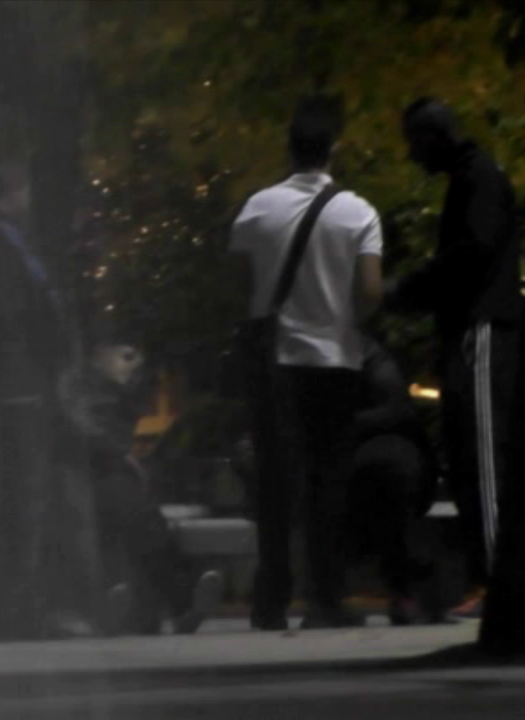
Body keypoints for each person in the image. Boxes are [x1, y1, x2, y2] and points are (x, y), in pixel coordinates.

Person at [229, 95, 384, 630]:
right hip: (334, 361)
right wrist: (343, 317)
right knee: (327, 481)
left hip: (274, 361)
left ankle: (270, 598)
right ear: (333, 149)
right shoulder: (358, 212)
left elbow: (237, 286)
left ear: (289, 149)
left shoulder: (256, 208)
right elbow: (369, 292)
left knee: (274, 481)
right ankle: (325, 599)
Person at [0, 159, 108, 640]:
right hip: (19, 390)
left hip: (17, 389)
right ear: (11, 192)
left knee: (22, 498)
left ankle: (19, 607)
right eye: (24, 190)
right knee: (23, 500)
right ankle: (19, 609)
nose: (30, 199)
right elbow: (6, 317)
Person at [388, 97, 523, 616]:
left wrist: (410, 289)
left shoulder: (477, 179)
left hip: (480, 326)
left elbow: (469, 254)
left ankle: (496, 581)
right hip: (472, 326)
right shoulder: (474, 178)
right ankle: (488, 577)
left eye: (415, 142)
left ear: (435, 136)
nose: (412, 155)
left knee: (482, 456)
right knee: (471, 454)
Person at [61, 337, 224, 635]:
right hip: (77, 477)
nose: (133, 364)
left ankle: (157, 604)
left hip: (107, 477)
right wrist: (124, 458)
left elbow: (119, 433)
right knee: (131, 506)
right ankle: (176, 599)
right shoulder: (79, 384)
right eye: (125, 356)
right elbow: (87, 435)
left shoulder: (113, 391)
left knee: (139, 511)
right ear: (99, 355)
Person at [349, 335, 447, 625]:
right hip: (363, 458)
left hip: (384, 458)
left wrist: (343, 425)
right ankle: (409, 592)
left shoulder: (371, 359)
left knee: (388, 472)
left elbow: (396, 409)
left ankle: (411, 591)